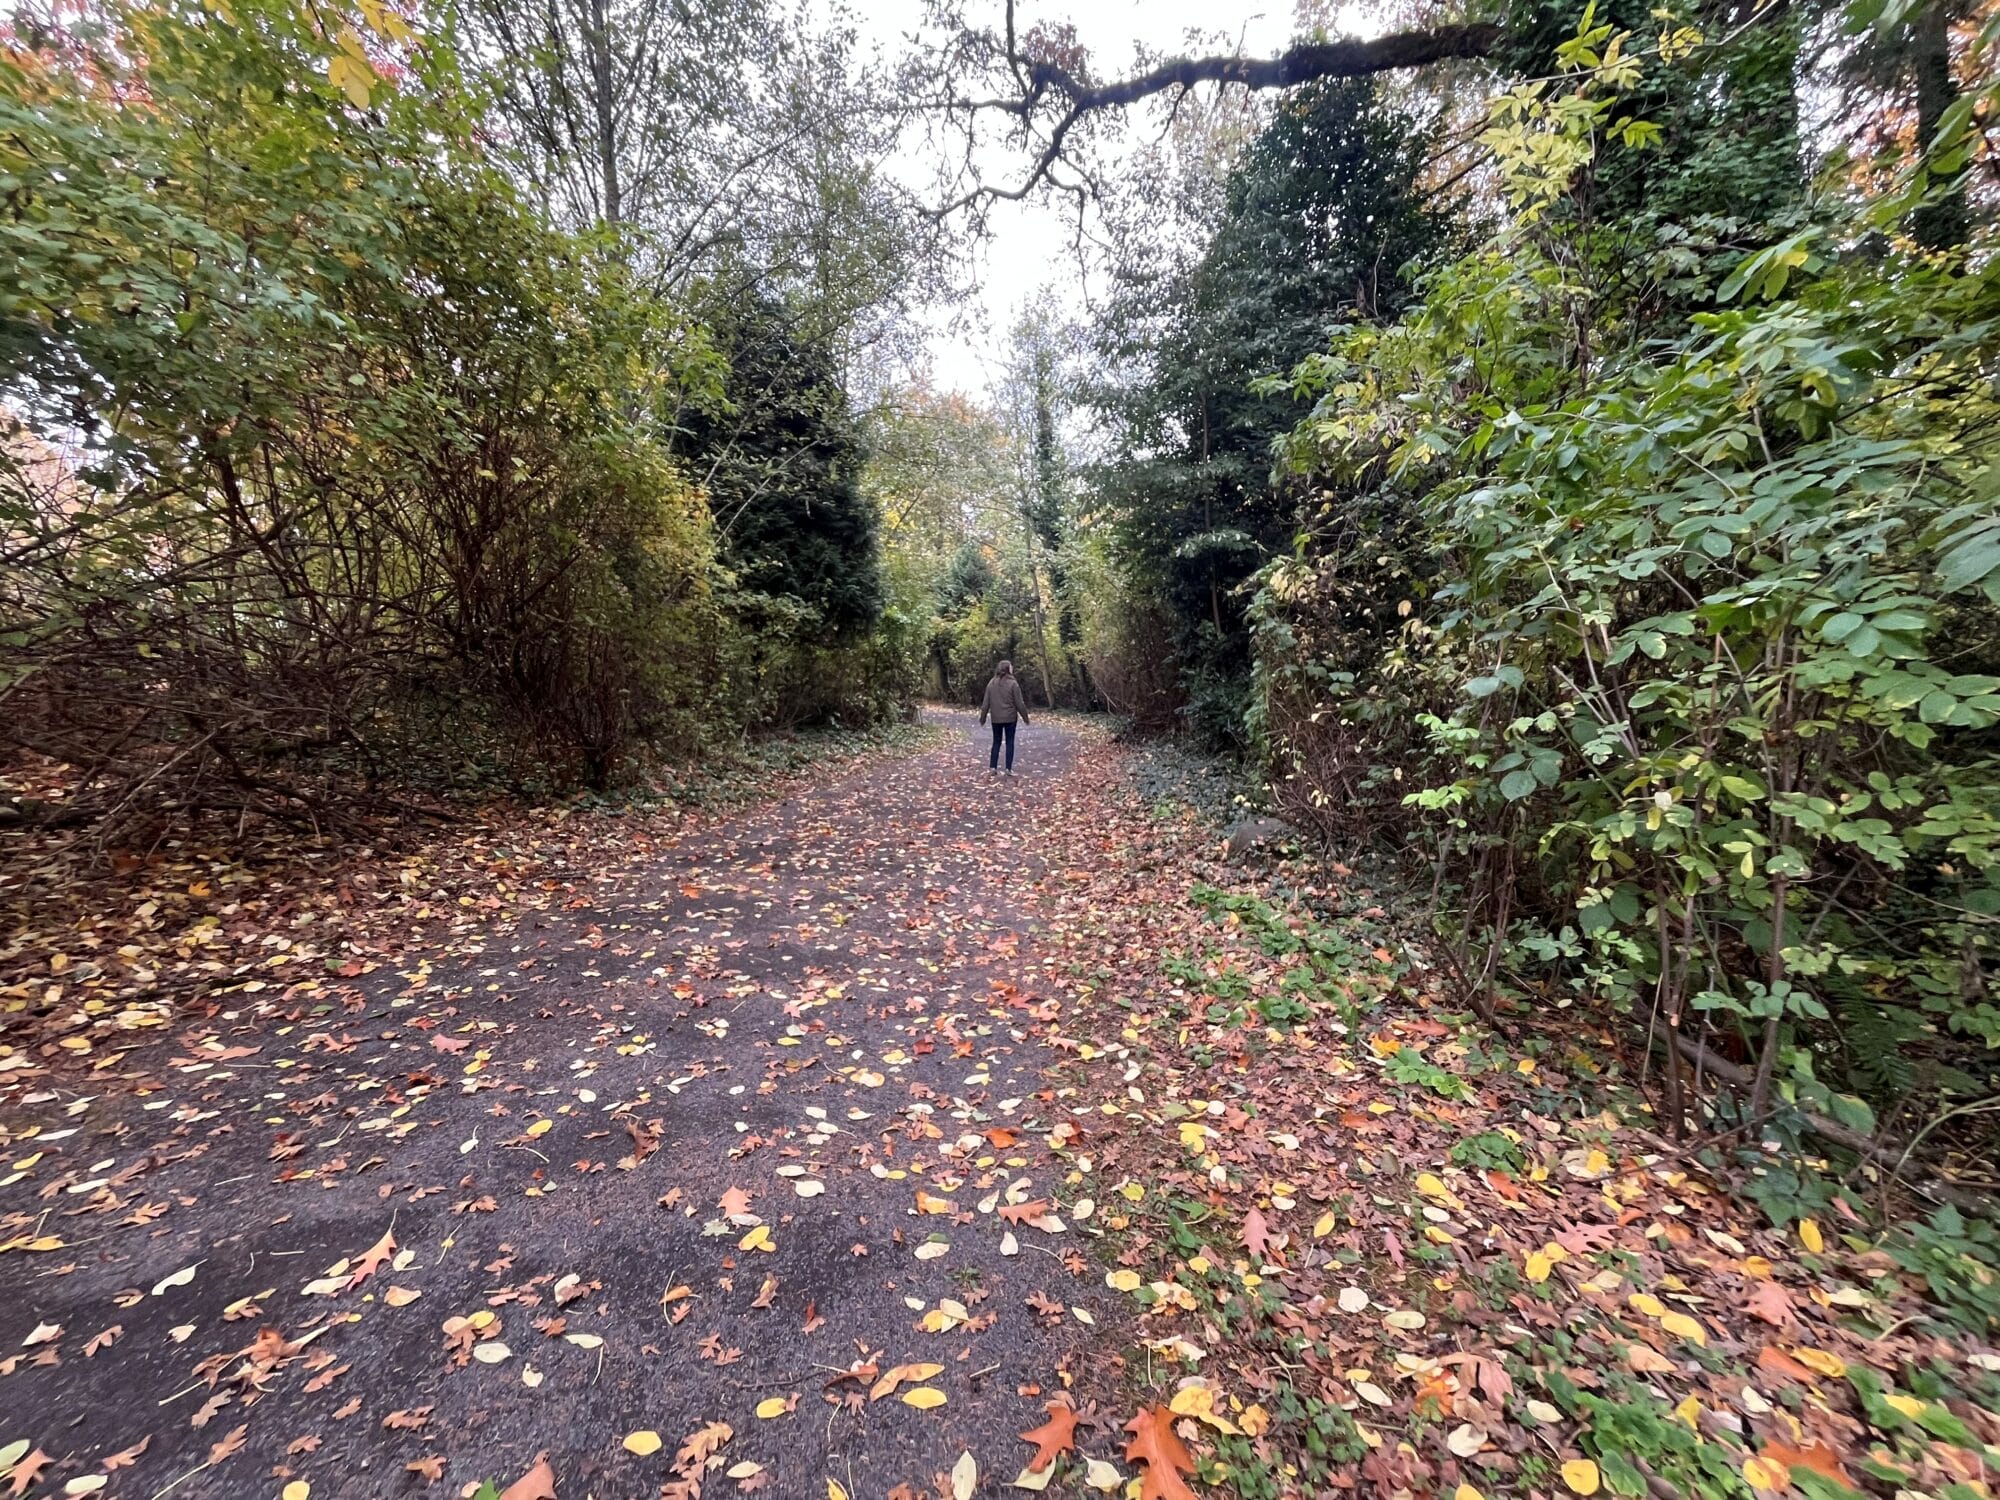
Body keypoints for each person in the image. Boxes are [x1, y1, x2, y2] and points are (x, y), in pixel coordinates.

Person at [978, 660, 1030, 775]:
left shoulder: (991, 683)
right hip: (1010, 718)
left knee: (996, 741)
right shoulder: (1013, 684)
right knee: (1009, 742)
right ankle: (1008, 769)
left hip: (996, 718)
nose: (1012, 668)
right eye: (1011, 667)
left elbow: (986, 703)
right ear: (1008, 669)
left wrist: (983, 718)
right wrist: (1025, 717)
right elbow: (1019, 703)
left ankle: (993, 767)